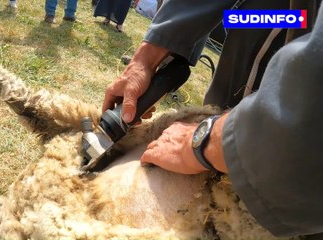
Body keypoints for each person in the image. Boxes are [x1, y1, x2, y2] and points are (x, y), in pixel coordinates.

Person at [102, 0, 323, 238]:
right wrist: (151, 50)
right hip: (278, 18)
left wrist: (209, 140)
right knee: (266, 18)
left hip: (297, 177)